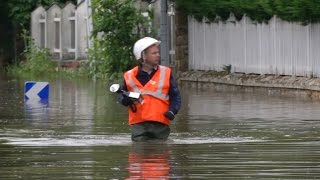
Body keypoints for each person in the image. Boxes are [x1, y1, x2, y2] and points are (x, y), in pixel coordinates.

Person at [117, 37, 181, 142]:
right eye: (154, 53)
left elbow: (176, 97)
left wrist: (172, 111)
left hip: (160, 123)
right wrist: (126, 100)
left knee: (160, 155)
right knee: (139, 154)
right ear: (143, 56)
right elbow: (121, 96)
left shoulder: (166, 73)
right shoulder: (129, 75)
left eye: (158, 52)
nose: (158, 55)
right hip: (138, 124)